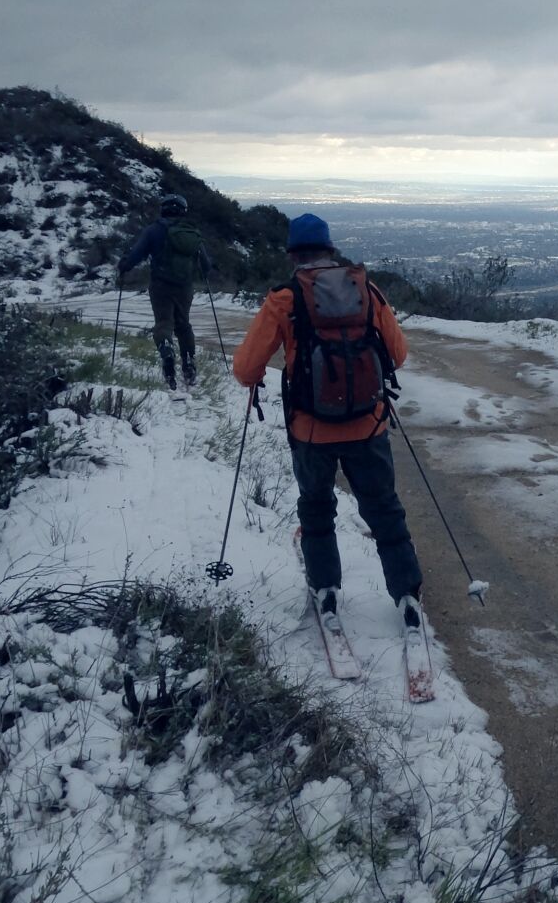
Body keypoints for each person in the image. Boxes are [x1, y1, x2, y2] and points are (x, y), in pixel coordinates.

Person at [230, 213, 425, 632]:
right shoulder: (365, 290)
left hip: (310, 430)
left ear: (292, 255)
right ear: (331, 250)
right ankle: (407, 594)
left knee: (317, 509)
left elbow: (247, 368)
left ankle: (327, 590)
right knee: (384, 509)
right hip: (368, 425)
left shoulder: (284, 299)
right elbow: (399, 353)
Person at [117, 193, 211, 391]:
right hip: (185, 287)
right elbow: (206, 264)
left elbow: (137, 254)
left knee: (164, 322)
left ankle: (167, 352)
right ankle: (189, 363)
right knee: (183, 324)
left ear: (164, 209)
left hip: (160, 285)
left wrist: (124, 266)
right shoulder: (191, 232)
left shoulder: (154, 230)